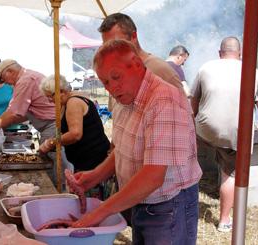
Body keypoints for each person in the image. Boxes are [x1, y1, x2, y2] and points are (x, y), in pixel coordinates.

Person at [71, 39, 203, 245]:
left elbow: (152, 177)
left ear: (137, 65)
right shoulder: (128, 96)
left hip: (169, 206)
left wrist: (100, 212)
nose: (112, 87)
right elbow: (124, 148)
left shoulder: (164, 101)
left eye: (116, 77)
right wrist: (95, 176)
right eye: (105, 81)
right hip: (140, 201)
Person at [190, 36, 258, 232]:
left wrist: (189, 126)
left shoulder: (206, 67)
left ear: (220, 53)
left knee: (192, 158)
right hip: (232, 134)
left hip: (205, 130)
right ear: (240, 53)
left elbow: (193, 100)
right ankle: (224, 221)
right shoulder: (252, 71)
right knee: (229, 175)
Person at [98, 13, 184, 111]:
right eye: (107, 46)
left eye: (117, 43)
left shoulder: (160, 70)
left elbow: (186, 114)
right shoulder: (113, 75)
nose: (112, 50)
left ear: (133, 36)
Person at [38, 75, 110, 172]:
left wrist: (50, 143)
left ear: (62, 91)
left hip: (92, 160)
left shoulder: (73, 102)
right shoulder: (70, 100)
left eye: (50, 96)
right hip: (86, 158)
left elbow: (75, 134)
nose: (49, 100)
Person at [0, 59, 55, 143]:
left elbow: (12, 113)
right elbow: (21, 115)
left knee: (50, 154)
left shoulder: (24, 81)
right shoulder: (29, 75)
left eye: (3, 78)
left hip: (51, 126)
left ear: (10, 71)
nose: (5, 82)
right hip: (50, 124)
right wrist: (3, 124)